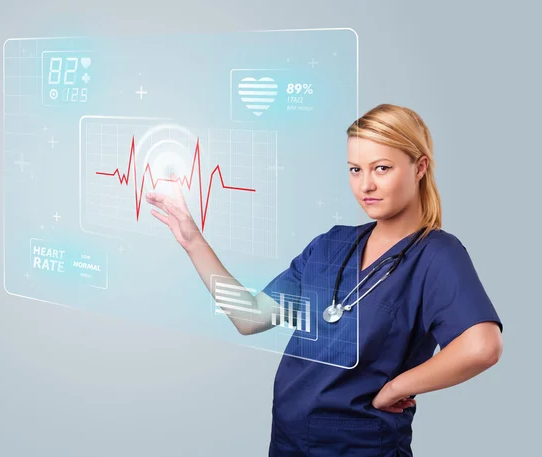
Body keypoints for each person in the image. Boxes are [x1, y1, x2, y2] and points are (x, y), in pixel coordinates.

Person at [145, 103, 504, 457]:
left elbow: (481, 347)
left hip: (360, 447)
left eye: (382, 168)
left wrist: (397, 387)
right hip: (288, 441)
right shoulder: (331, 245)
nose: (366, 185)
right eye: (355, 169)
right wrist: (191, 238)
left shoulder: (436, 255)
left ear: (419, 167)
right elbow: (250, 317)